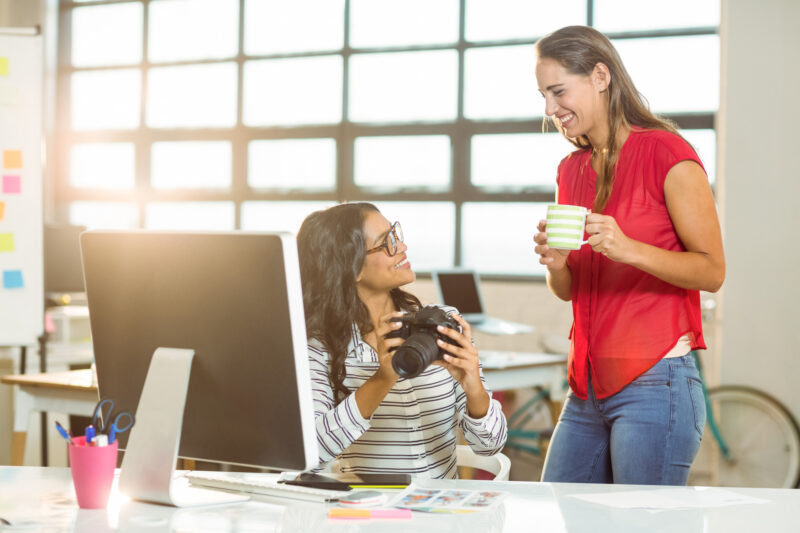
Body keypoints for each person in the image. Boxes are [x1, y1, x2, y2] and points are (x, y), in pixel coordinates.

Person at [532, 26, 725, 485]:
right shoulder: (571, 169)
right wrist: (556, 264)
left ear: (601, 76)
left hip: (655, 384)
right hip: (585, 388)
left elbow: (712, 271)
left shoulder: (668, 154)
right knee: (562, 515)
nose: (549, 109)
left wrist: (629, 249)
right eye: (542, 95)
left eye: (558, 91)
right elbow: (568, 292)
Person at [296, 202, 507, 478]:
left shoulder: (442, 324)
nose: (402, 247)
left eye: (396, 234)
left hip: (442, 514)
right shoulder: (319, 347)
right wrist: (383, 378)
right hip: (367, 512)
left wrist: (474, 388)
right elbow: (313, 452)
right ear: (351, 268)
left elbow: (491, 446)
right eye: (387, 243)